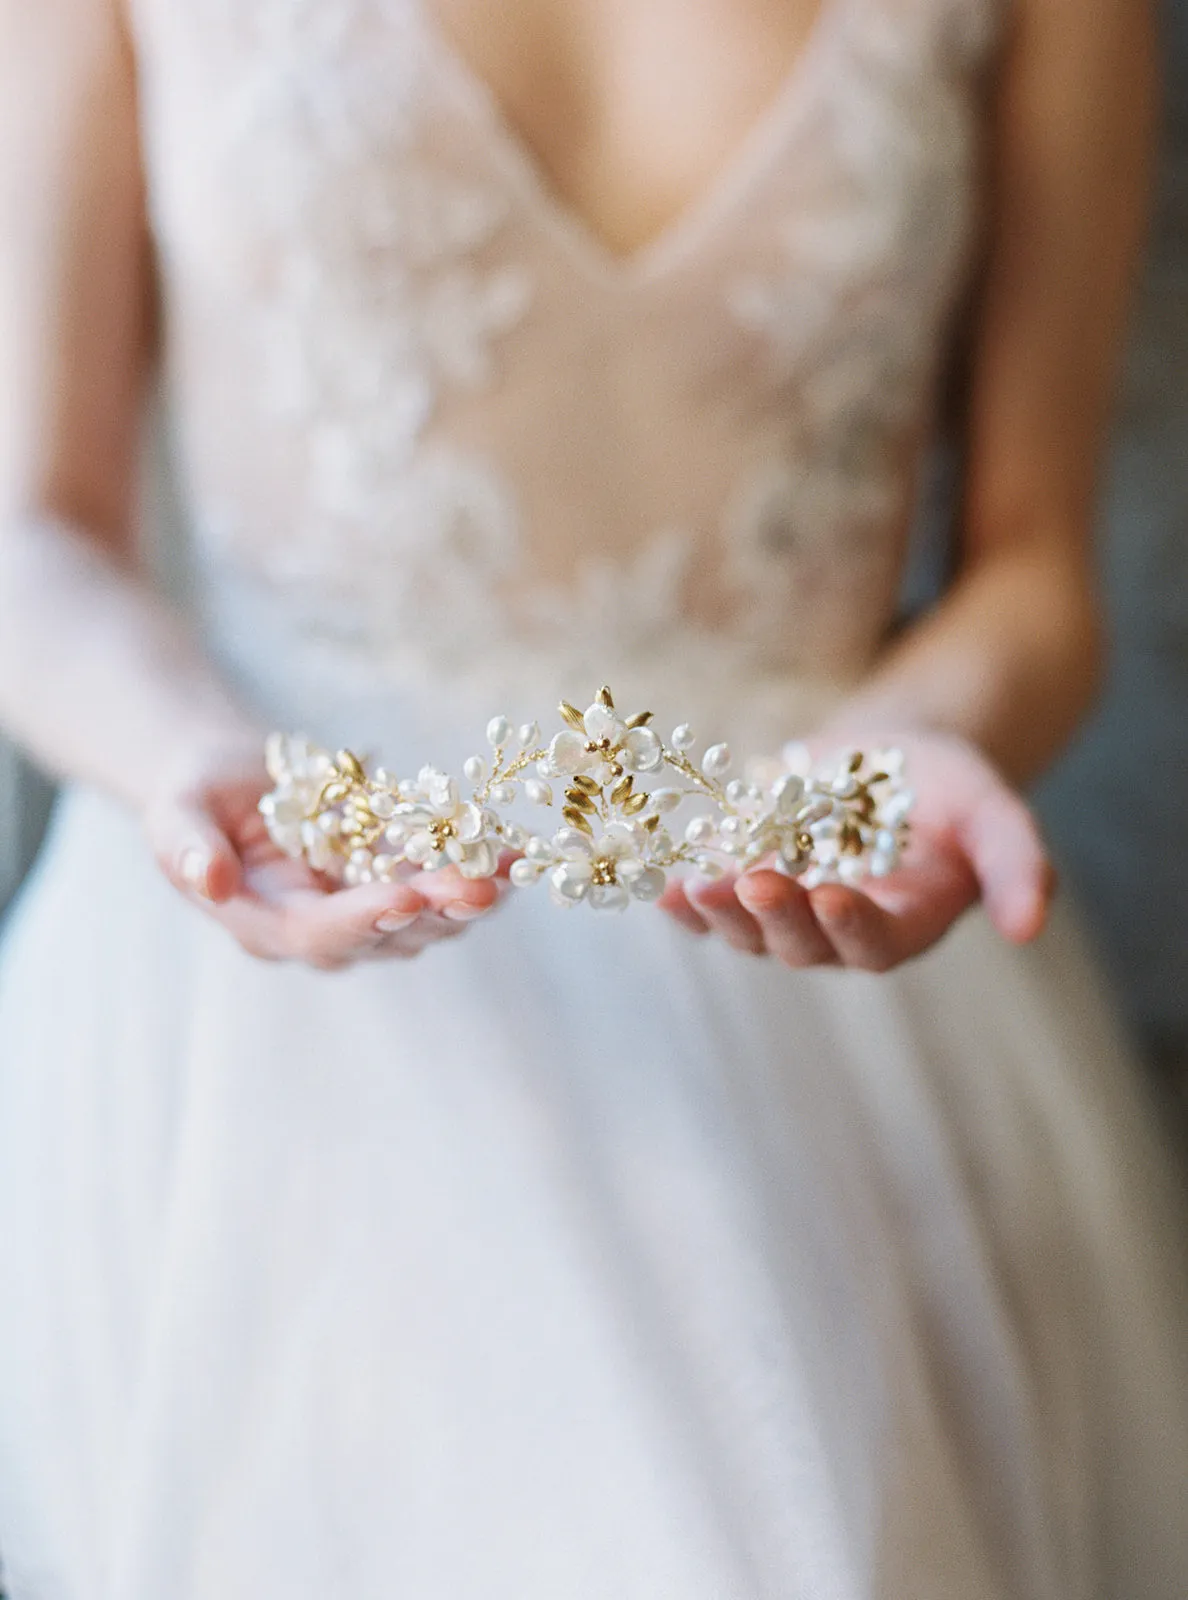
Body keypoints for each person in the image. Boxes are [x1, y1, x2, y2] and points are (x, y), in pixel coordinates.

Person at [0, 0, 1185, 1594]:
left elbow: (1036, 566)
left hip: (824, 975)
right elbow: (35, 534)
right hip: (248, 1009)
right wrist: (187, 758)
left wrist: (910, 741)